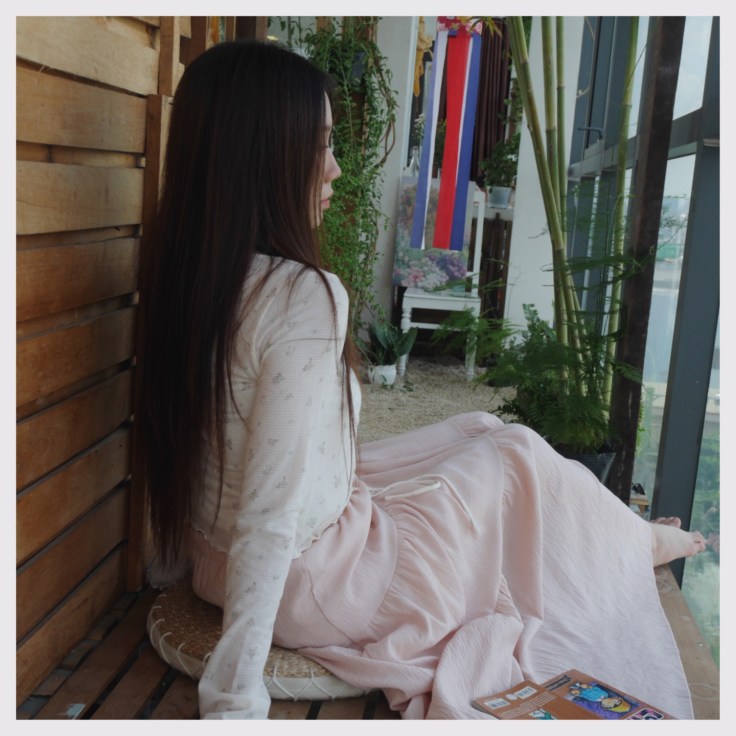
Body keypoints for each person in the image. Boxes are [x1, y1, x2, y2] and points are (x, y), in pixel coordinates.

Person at [134, 39, 706, 720]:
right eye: (319, 146)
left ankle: (622, 536)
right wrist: (233, 700)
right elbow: (269, 511)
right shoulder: (298, 295)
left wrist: (173, 570)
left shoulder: (188, 273)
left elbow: (211, 458)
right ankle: (634, 542)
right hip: (321, 581)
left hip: (219, 562)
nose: (335, 169)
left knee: (480, 428)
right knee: (514, 452)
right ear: (259, 156)